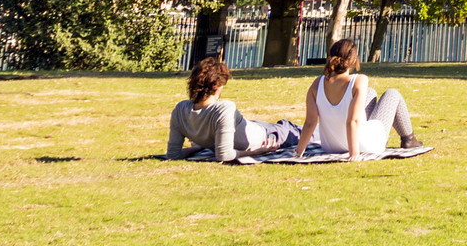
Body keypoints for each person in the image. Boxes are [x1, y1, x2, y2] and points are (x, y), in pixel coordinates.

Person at [293, 37, 423, 161]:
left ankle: (406, 138)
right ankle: (409, 139)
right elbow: (352, 121)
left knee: (370, 92)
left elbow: (310, 122)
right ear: (354, 60)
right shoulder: (359, 80)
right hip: (365, 145)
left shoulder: (317, 84)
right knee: (392, 94)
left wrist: (299, 152)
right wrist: (354, 154)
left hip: (330, 146)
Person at [166, 54, 299, 164]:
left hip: (261, 129)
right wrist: (257, 152)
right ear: (216, 86)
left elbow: (173, 154)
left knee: (294, 128)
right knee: (301, 132)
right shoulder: (223, 109)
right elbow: (224, 155)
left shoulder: (180, 110)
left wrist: (200, 146)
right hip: (268, 136)